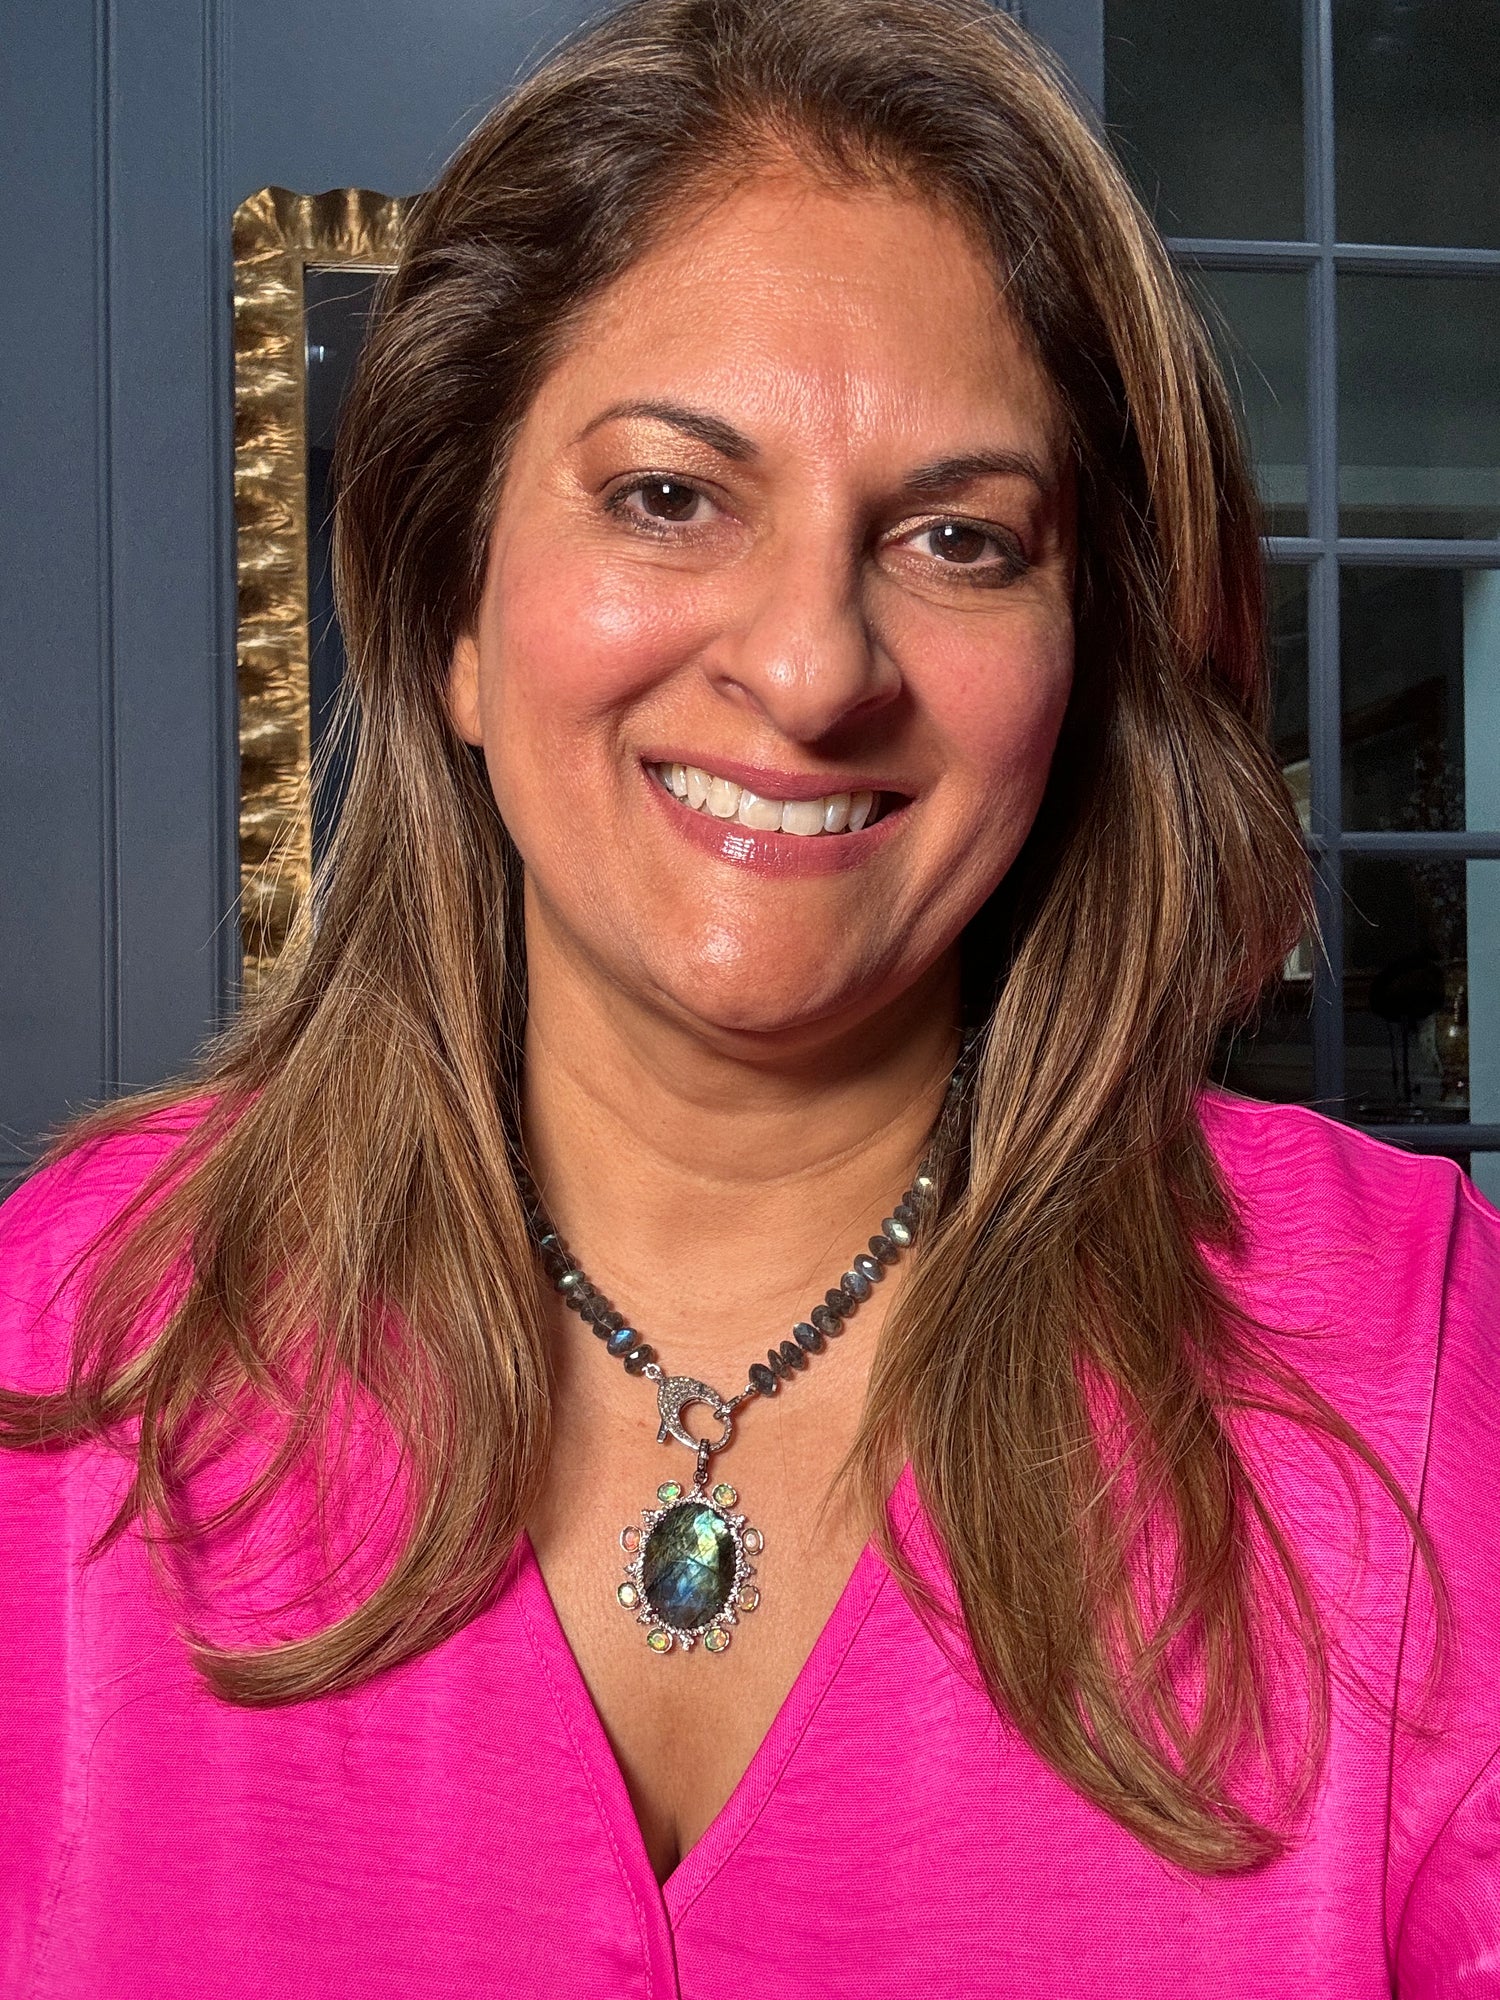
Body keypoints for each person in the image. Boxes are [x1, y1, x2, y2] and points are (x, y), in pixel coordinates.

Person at [2, 0, 1496, 1992]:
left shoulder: (1408, 1365)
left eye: (960, 539)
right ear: (455, 614)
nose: (809, 668)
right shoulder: (73, 1342)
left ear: (1085, 673)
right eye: (669, 496)